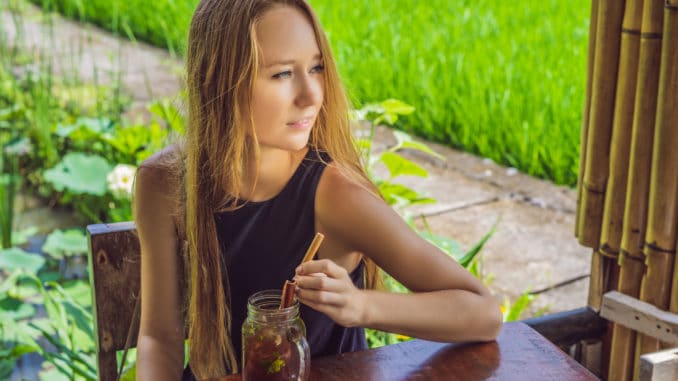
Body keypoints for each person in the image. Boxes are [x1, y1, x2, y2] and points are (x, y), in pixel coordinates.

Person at [134, 0, 503, 379]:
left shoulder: (336, 195)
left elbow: (482, 312)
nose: (311, 95)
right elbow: (159, 337)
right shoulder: (162, 183)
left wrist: (361, 305)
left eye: (316, 67)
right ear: (218, 80)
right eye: (281, 75)